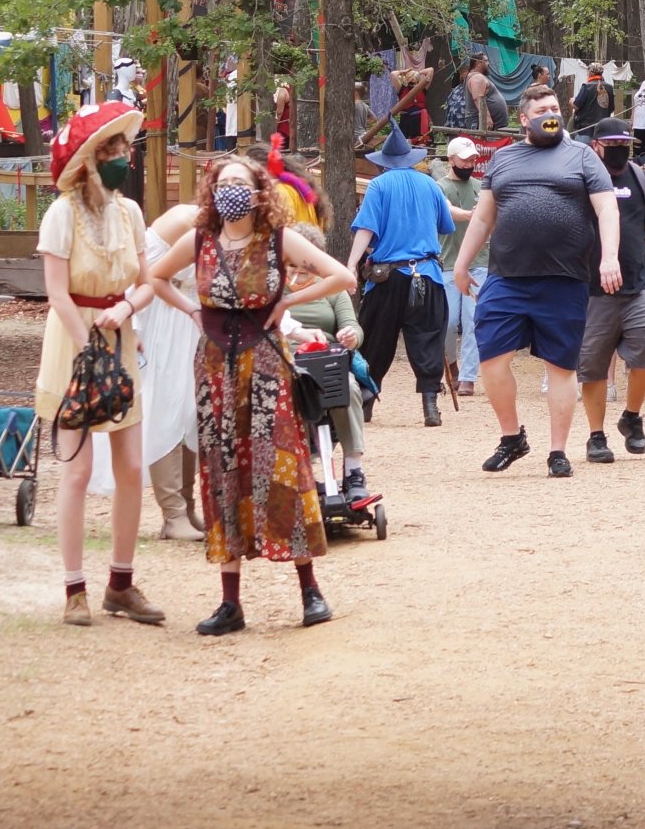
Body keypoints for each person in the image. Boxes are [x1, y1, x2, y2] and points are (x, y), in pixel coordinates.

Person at [147, 155, 358, 633]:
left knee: (282, 466)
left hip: (265, 366)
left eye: (241, 183)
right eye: (224, 183)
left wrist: (287, 300)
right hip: (216, 368)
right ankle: (230, 602)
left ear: (260, 190)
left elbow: (342, 277)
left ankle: (310, 590)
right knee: (224, 471)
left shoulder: (278, 240)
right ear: (211, 191)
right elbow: (154, 277)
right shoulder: (199, 239)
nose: (232, 191)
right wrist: (192, 311)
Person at [452, 84, 622, 479]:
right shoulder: (504, 159)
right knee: (492, 356)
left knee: (559, 367)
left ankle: (557, 451)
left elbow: (607, 209)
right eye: (543, 109)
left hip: (563, 279)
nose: (553, 114)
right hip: (507, 277)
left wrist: (609, 258)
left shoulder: (583, 156)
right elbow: (482, 217)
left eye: (556, 108)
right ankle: (512, 437)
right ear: (524, 119)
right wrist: (462, 265)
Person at [36, 102, 161, 626]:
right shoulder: (62, 213)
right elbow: (56, 292)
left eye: (123, 148)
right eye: (111, 149)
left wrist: (126, 309)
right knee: (78, 469)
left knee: (132, 466)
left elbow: (148, 281)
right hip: (74, 346)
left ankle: (121, 584)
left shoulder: (129, 212)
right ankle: (74, 590)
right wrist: (87, 342)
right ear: (89, 158)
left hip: (119, 337)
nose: (122, 157)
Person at [574, 119, 645, 464]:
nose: (619, 148)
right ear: (595, 145)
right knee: (593, 365)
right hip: (590, 290)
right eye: (612, 142)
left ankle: (631, 416)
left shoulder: (641, 179)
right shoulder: (579, 179)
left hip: (639, 285)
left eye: (625, 142)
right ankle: (596, 435)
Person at [348, 125, 454, 428]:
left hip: (388, 277)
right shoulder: (431, 185)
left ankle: (367, 400)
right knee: (429, 338)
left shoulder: (379, 186)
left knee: (375, 340)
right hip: (428, 274)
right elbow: (444, 226)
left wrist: (351, 263)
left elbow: (367, 229)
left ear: (384, 161)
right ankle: (430, 404)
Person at [279, 223, 376, 507]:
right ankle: (300, 472)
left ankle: (353, 470)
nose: (300, 273)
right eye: (293, 265)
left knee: (346, 387)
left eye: (307, 266)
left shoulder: (332, 290)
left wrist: (349, 336)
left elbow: (354, 328)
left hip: (326, 358)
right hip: (287, 359)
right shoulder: (273, 288)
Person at [132, 201, 203, 540]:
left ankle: (188, 506)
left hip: (190, 319)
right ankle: (172, 513)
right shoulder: (183, 220)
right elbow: (140, 271)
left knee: (190, 410)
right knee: (166, 407)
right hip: (161, 317)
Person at [438, 137, 484, 396]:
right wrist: (470, 215)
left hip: (480, 263)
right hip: (447, 262)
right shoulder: (439, 187)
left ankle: (468, 376)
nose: (470, 163)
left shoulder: (481, 187)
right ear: (451, 159)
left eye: (473, 159)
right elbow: (446, 211)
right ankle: (452, 364)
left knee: (473, 319)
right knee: (448, 321)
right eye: (465, 159)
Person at [570, 62, 615, 134]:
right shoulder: (609, 87)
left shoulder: (586, 87)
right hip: (603, 129)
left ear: (590, 73)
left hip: (586, 129)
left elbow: (576, 106)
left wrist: (572, 101)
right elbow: (612, 109)